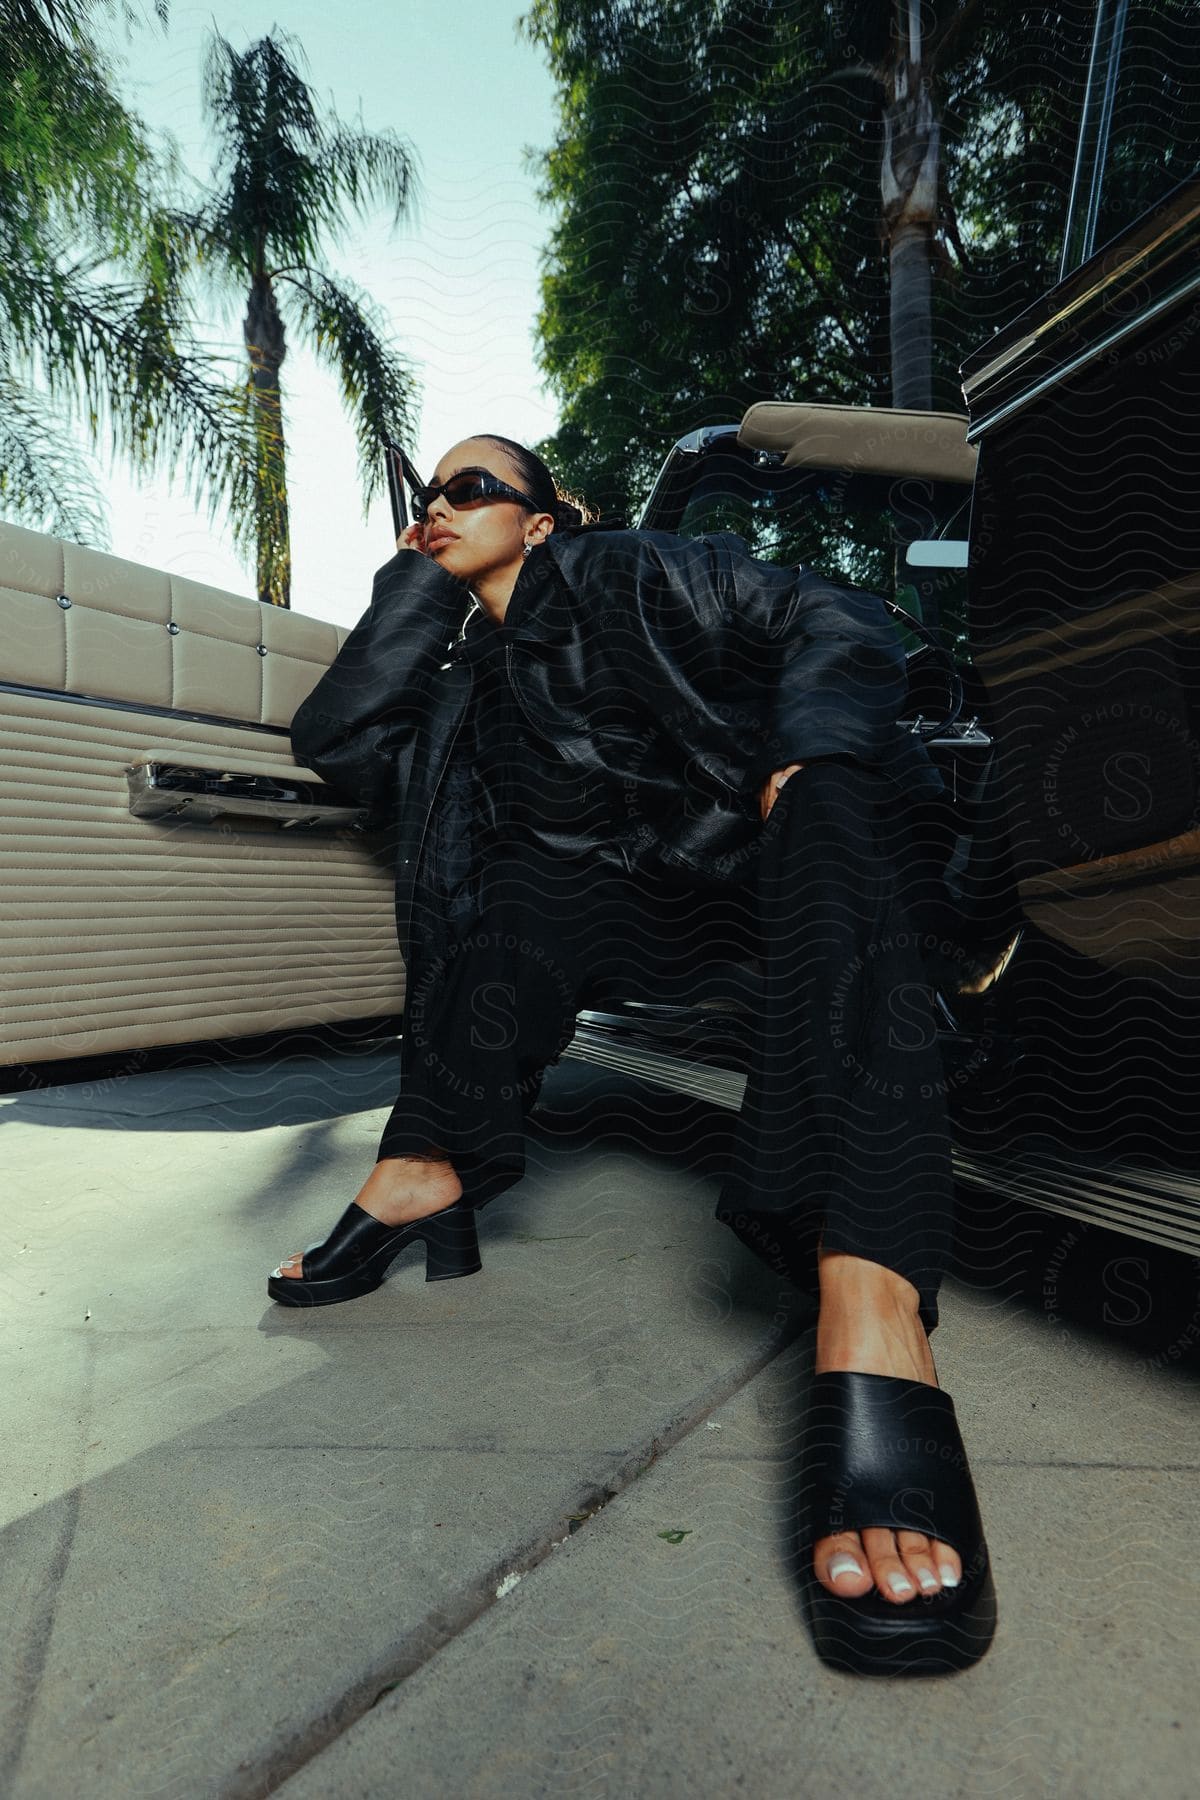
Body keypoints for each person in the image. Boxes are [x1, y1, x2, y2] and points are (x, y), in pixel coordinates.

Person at [269, 434, 996, 1674]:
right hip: (628, 909)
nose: (438, 509)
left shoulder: (642, 570)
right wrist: (418, 578)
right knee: (518, 913)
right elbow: (335, 739)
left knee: (830, 809)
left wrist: (807, 746)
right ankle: (430, 1167)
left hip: (773, 848)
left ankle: (871, 1292)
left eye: (471, 490)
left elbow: (840, 614)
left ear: (546, 523)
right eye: (422, 497)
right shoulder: (462, 675)